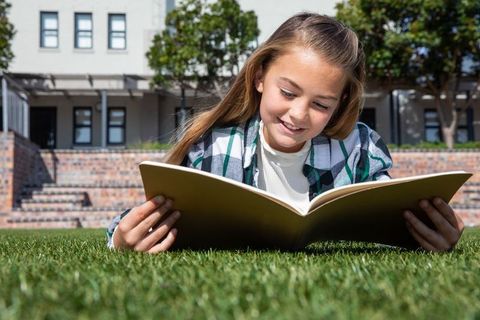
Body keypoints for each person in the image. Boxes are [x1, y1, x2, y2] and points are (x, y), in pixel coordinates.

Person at [107, 13, 464, 253]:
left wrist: (431, 233)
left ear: (339, 105)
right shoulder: (213, 149)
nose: (298, 115)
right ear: (260, 77)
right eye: (288, 93)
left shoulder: (358, 148)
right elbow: (143, 218)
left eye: (322, 105)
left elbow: (397, 218)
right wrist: (123, 238)